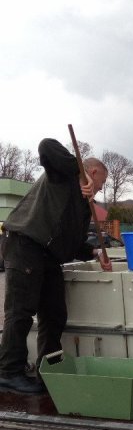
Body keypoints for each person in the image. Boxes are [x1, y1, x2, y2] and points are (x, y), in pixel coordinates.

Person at [0, 138, 111, 394]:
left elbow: (72, 242)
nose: (99, 189)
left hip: (49, 256)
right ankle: (9, 373)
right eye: (101, 183)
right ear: (91, 173)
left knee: (54, 314)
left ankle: (48, 369)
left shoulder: (83, 205)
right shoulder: (62, 174)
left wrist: (95, 252)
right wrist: (78, 170)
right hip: (25, 245)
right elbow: (46, 146)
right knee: (20, 312)